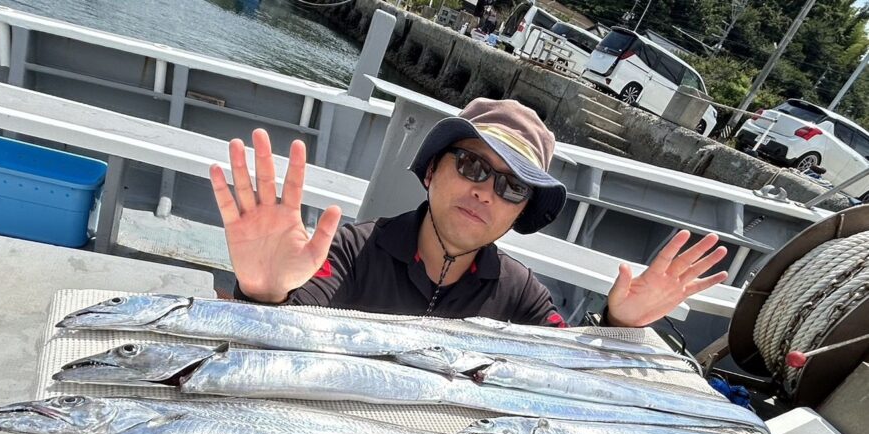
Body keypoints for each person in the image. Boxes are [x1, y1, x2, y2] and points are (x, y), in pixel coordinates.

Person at [209, 97, 728, 327]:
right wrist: (264, 293)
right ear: (432, 170)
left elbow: (561, 366)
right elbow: (283, 331)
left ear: (520, 212)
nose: (486, 193)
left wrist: (616, 324)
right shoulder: (353, 250)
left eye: (511, 187)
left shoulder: (521, 293)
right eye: (473, 166)